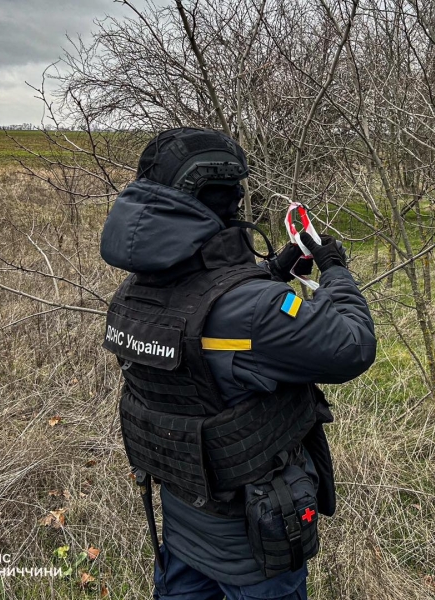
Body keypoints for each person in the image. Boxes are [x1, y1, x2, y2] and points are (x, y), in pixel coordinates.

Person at [99, 127, 376, 600]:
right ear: (223, 199)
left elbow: (203, 309)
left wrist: (273, 272)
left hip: (182, 524)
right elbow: (352, 345)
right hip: (255, 542)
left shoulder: (132, 296)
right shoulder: (256, 311)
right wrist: (334, 268)